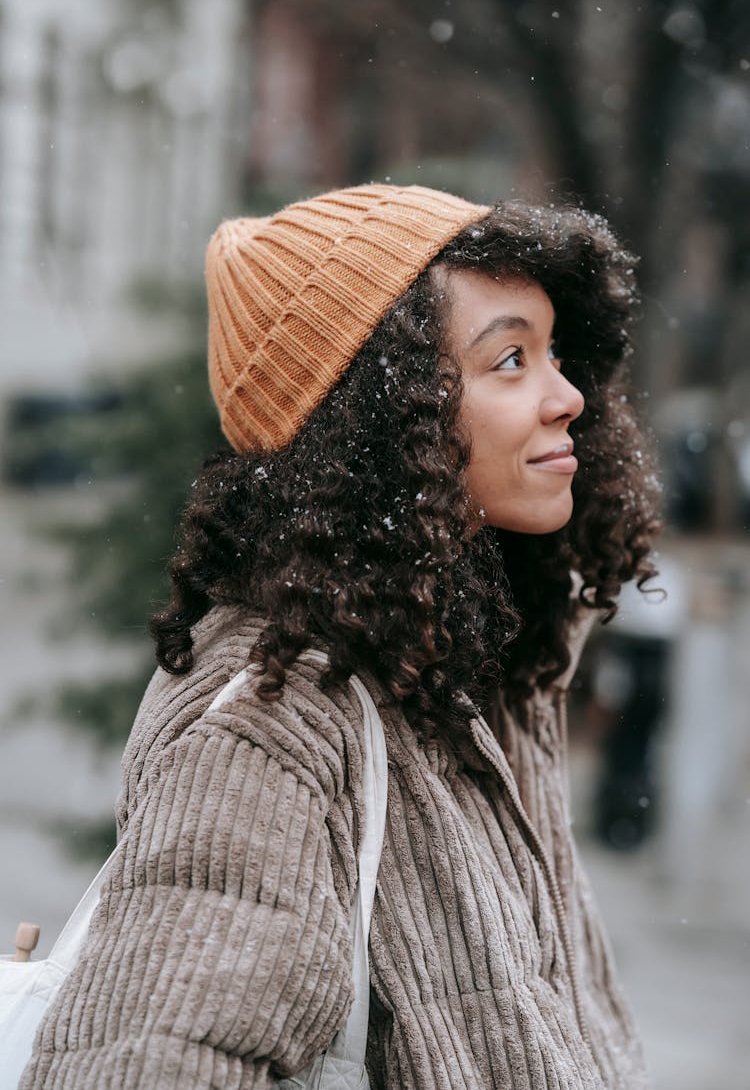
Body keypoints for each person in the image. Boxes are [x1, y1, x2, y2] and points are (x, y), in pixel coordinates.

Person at [22, 184, 660, 1089]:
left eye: (555, 353)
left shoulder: (481, 660)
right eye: (510, 358)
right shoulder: (270, 723)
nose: (566, 397)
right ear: (384, 422)